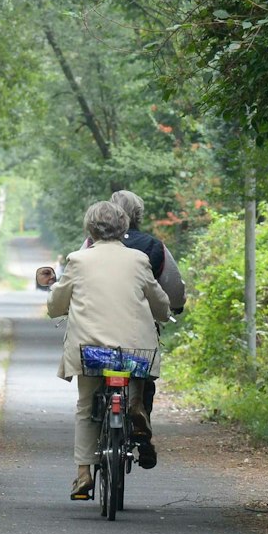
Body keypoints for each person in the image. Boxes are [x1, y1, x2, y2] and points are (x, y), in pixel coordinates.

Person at [46, 200, 172, 499]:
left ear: (90, 228)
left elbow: (56, 306)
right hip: (134, 352)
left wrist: (56, 300)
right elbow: (160, 303)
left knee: (86, 407)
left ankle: (82, 473)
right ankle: (135, 405)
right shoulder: (140, 259)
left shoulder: (78, 260)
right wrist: (164, 313)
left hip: (91, 350)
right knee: (136, 365)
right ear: (124, 226)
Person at [106, 190, 184, 445]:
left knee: (95, 372)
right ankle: (141, 421)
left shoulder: (92, 245)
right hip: (140, 327)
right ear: (138, 215)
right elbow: (172, 286)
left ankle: (98, 412)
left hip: (100, 326)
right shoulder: (153, 246)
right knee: (143, 367)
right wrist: (176, 305)